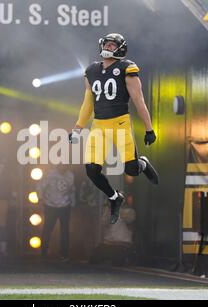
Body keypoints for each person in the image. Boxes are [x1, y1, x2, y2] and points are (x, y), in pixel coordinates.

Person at [69, 33, 159, 225]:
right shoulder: (91, 70)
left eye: (112, 45)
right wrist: (78, 128)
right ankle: (114, 197)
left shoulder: (127, 68)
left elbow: (138, 100)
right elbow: (88, 103)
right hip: (99, 125)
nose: (109, 47)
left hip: (120, 123)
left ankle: (142, 162)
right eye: (107, 44)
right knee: (92, 170)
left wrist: (149, 129)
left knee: (132, 170)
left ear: (120, 48)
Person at [37, 165, 76, 261]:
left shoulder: (70, 175)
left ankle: (64, 253)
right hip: (50, 205)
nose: (63, 168)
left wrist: (73, 202)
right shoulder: (50, 173)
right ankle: (44, 252)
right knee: (48, 228)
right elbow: (40, 186)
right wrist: (40, 198)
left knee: (64, 230)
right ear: (58, 166)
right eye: (61, 166)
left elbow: (72, 190)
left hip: (65, 206)